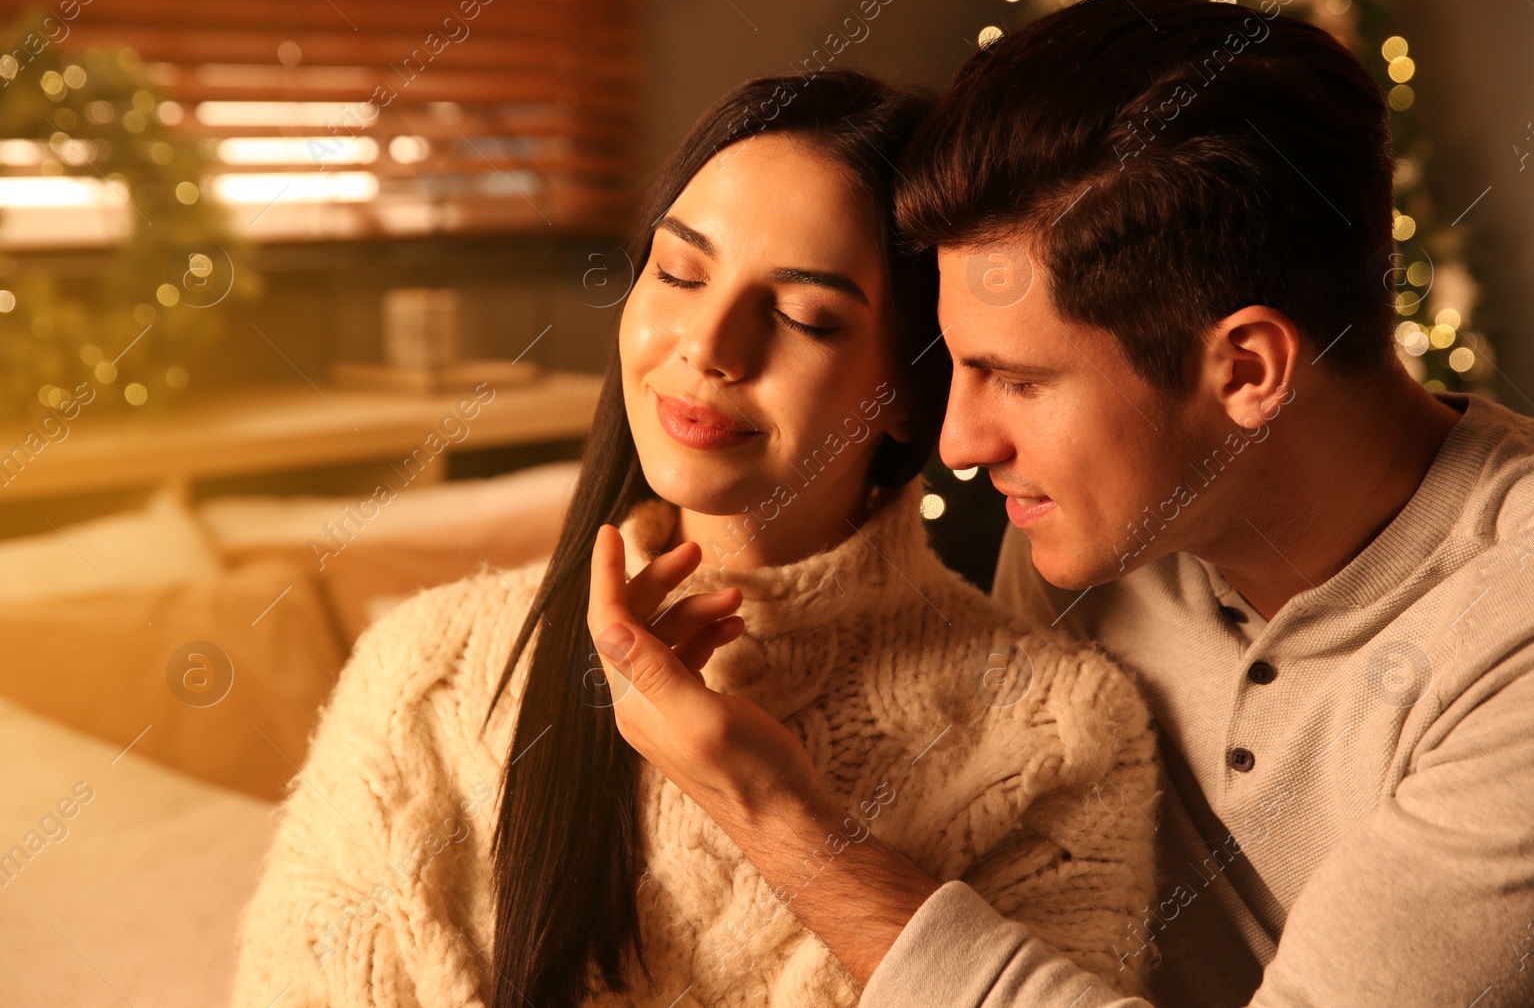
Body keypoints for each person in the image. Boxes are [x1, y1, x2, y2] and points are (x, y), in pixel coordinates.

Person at [586, 0, 1534, 1008]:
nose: (961, 440)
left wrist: (773, 812)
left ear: (1246, 368)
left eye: (1017, 380)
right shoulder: (1095, 539)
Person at [231, 70, 1161, 1008]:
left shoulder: (1060, 735)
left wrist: (777, 814)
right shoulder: (424, 674)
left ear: (912, 393)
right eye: (679, 272)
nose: (711, 343)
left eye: (806, 316)